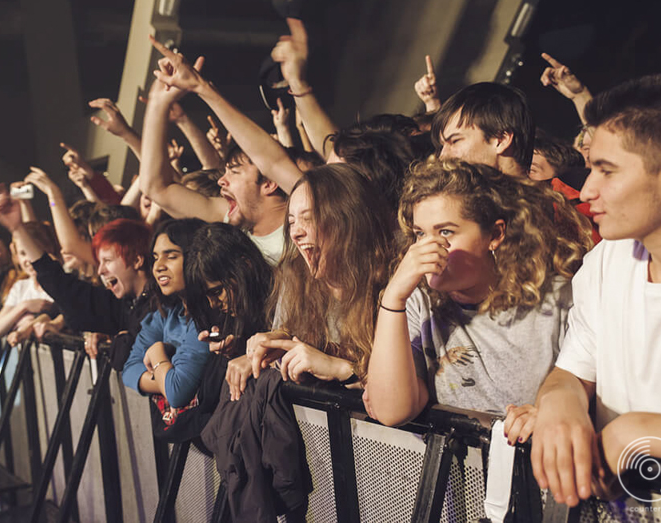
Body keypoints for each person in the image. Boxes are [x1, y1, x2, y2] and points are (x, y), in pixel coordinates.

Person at [526, 73, 661, 508]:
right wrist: (559, 408)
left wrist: (633, 431)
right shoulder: (608, 262)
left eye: (606, 170)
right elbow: (572, 373)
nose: (587, 190)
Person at [366, 158, 592, 427]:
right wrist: (393, 297)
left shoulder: (556, 299)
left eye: (446, 231)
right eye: (420, 234)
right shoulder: (417, 302)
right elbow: (393, 411)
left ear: (495, 235)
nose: (428, 248)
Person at [139, 40, 296, 265]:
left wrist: (201, 88)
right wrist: (157, 104)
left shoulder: (307, 218)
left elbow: (273, 161)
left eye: (234, 171)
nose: (221, 180)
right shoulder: (236, 224)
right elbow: (156, 188)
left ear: (270, 182)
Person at [248, 162, 394, 387]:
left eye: (308, 218)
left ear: (348, 221)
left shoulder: (394, 287)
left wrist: (341, 369)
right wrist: (282, 341)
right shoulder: (298, 279)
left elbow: (403, 393)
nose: (296, 232)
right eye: (292, 222)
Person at [0, 187, 155, 366]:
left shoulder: (164, 307)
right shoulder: (124, 304)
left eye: (107, 261)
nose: (100, 271)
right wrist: (18, 228)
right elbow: (63, 288)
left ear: (137, 260)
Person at [121, 218, 220, 440]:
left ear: (197, 257)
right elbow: (128, 371)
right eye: (155, 257)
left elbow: (177, 392)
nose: (158, 266)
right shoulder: (166, 312)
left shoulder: (207, 315)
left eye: (171, 256)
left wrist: (157, 353)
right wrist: (166, 375)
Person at [183, 222, 274, 401]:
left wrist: (261, 357)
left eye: (217, 291)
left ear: (245, 266)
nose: (213, 304)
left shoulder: (288, 294)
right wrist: (235, 349)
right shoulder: (232, 317)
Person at [431, 82, 535, 177]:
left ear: (501, 140)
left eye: (455, 141)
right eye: (442, 147)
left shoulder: (549, 195)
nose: (442, 156)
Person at [0, 222, 59, 341]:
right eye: (23, 253)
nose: (28, 260)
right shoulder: (21, 286)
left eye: (33, 252)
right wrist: (23, 307)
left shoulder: (59, 285)